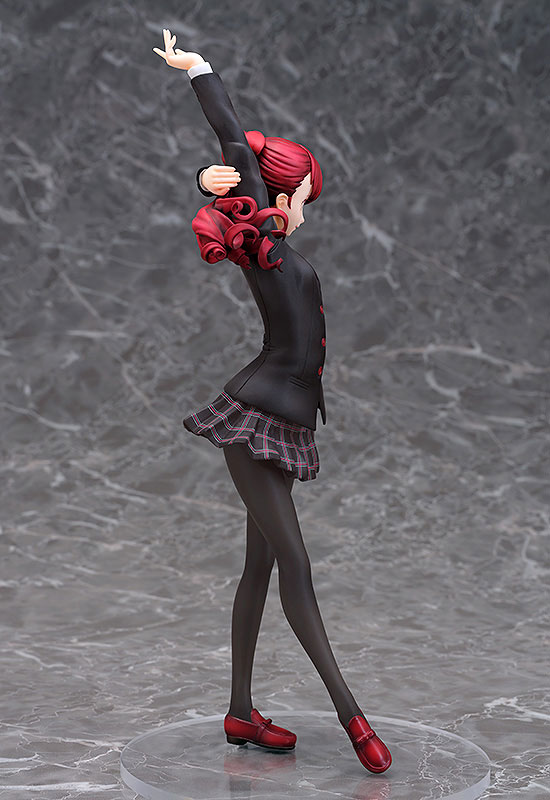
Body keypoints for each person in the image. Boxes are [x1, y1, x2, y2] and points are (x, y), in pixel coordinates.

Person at [153, 28, 391, 774]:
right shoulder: (266, 242)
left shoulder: (281, 246)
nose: (308, 209)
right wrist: (200, 70)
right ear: (284, 195)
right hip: (254, 420)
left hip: (286, 424)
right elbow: (232, 137)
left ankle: (240, 713)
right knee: (295, 567)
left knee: (258, 567)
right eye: (307, 197)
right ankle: (353, 718)